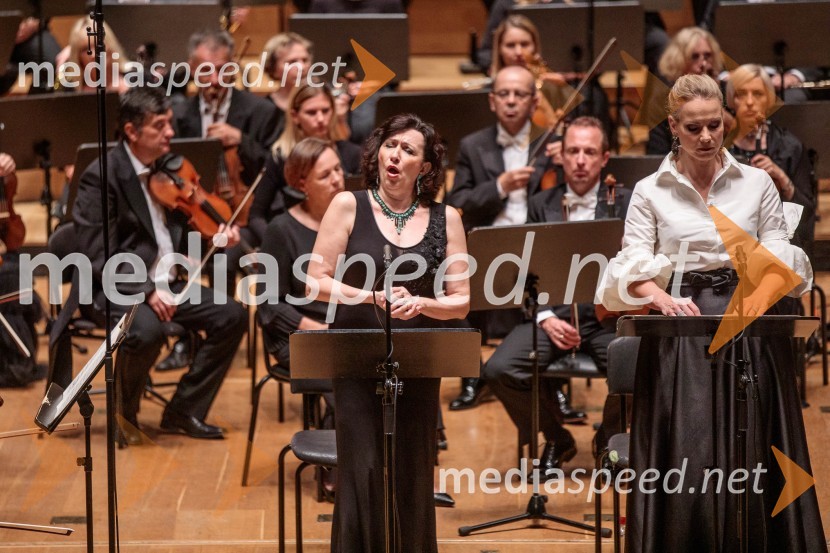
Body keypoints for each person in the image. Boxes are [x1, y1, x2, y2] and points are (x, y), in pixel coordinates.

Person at [599, 74, 825, 551]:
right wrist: (661, 300)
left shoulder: (757, 182)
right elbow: (630, 268)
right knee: (688, 450)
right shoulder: (648, 190)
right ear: (673, 127)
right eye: (693, 128)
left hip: (752, 321)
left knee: (758, 445)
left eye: (713, 127)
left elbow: (780, 256)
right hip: (678, 328)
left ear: (724, 122)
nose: (705, 138)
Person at [307, 113, 469, 551]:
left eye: (409, 150)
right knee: (360, 471)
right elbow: (314, 279)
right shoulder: (348, 205)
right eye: (391, 145)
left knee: (412, 470)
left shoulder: (446, 218)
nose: (396, 155)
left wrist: (424, 303)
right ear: (377, 151)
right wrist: (369, 296)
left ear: (427, 167)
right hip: (356, 353)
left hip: (417, 360)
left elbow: (462, 300)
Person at [72, 86, 247, 443]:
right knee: (146, 330)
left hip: (166, 283)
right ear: (132, 132)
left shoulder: (166, 171)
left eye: (170, 122)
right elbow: (95, 254)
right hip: (112, 287)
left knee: (232, 315)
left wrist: (215, 233)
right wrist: (147, 290)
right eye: (160, 125)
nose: (171, 132)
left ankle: (183, 411)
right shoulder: (100, 176)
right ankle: (126, 414)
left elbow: (177, 230)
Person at [483, 116, 631, 475]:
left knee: (636, 369)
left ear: (605, 157)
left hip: (606, 316)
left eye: (589, 152)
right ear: (561, 156)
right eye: (573, 151)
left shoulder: (625, 202)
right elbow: (526, 270)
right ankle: (556, 436)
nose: (581, 160)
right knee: (498, 369)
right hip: (555, 315)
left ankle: (608, 437)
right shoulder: (540, 203)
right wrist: (545, 317)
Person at [445, 65, 550, 410]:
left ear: (534, 102)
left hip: (536, 240)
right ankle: (472, 377)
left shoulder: (550, 144)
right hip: (489, 242)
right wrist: (499, 186)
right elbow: (457, 203)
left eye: (520, 94)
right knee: (459, 276)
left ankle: (554, 386)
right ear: (492, 101)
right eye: (503, 94)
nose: (511, 101)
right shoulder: (474, 146)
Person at [248, 83, 361, 245]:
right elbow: (256, 215)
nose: (321, 119)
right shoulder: (281, 156)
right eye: (311, 113)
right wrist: (276, 243)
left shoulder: (351, 153)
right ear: (295, 116)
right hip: (296, 239)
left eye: (326, 111)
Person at [726, 64, 815, 257]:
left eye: (758, 94)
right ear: (732, 100)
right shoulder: (721, 147)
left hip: (779, 241)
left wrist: (783, 179)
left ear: (769, 99)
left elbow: (807, 211)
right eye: (741, 93)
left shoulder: (789, 147)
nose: (750, 102)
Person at [646, 26, 723, 155]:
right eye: (694, 57)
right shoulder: (662, 99)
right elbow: (657, 152)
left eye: (707, 55)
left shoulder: (724, 90)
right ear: (678, 60)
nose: (703, 63)